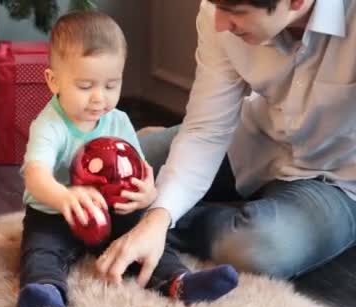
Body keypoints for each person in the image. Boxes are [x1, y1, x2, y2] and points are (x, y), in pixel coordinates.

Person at [97, 0, 356, 286]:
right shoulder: (217, 11)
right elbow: (207, 128)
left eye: (236, 12)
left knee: (256, 249)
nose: (219, 23)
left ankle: (162, 212)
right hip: (253, 138)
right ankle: (167, 187)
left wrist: (157, 218)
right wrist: (158, 216)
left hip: (335, 179)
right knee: (107, 176)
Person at [17, 11, 238, 307]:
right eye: (85, 86)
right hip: (54, 213)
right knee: (41, 250)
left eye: (111, 85)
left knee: (140, 235)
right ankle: (45, 291)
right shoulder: (49, 124)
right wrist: (65, 196)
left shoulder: (117, 120)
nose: (99, 99)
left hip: (113, 211)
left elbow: (140, 168)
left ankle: (180, 281)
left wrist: (147, 194)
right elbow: (35, 174)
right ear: (53, 81)